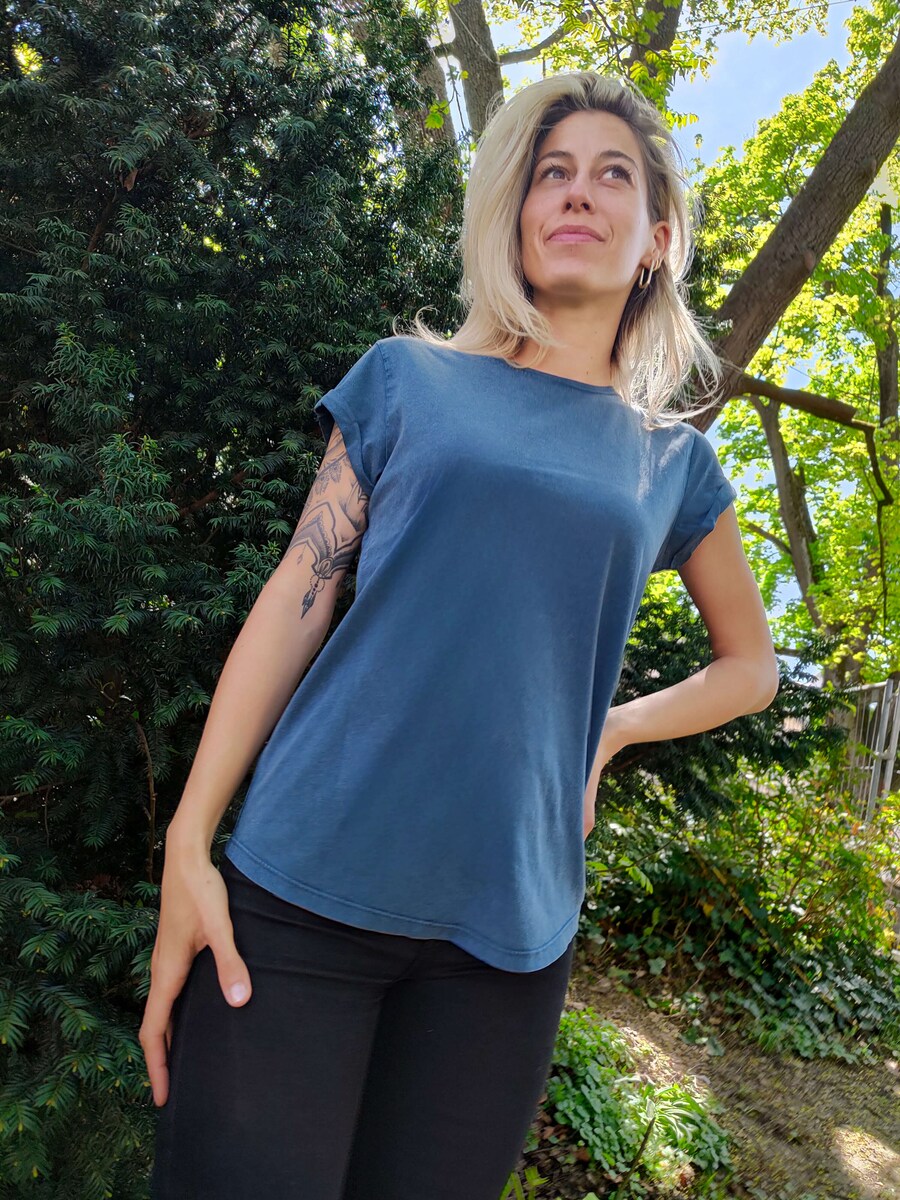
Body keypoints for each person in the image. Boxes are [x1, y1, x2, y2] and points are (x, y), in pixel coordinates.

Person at [141, 69, 778, 1200]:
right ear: (516, 215)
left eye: (612, 177)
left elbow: (751, 668)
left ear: (656, 241)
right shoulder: (409, 381)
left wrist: (611, 731)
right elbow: (297, 598)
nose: (575, 193)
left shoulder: (672, 461)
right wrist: (189, 845)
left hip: (506, 942)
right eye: (552, 172)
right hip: (300, 895)